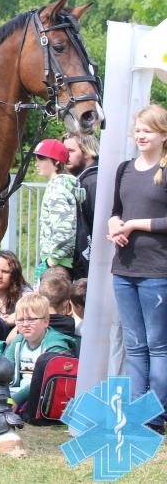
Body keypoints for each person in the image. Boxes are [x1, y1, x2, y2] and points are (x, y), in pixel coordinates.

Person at [107, 104, 167, 434]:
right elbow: (116, 211)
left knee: (158, 346)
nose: (141, 135)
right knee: (135, 346)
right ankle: (135, 414)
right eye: (138, 130)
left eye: (148, 130)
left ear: (163, 135)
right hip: (124, 270)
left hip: (158, 271)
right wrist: (116, 223)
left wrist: (134, 225)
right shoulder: (124, 168)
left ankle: (154, 416)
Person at [0, 293, 74, 413]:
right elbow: (3, 369)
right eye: (20, 320)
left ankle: (12, 407)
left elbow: (45, 382)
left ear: (46, 321)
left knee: (14, 404)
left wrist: (17, 400)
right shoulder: (18, 340)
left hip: (43, 393)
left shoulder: (56, 346)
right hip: (17, 391)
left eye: (32, 319)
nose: (25, 324)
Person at [34, 138, 84, 284]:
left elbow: (65, 229)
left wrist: (51, 262)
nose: (37, 163)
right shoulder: (57, 186)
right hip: (58, 262)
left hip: (58, 264)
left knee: (51, 306)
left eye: (42, 158)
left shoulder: (58, 189)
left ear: (56, 162)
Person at [64, 132, 99, 278]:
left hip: (92, 264)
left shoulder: (92, 182)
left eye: (71, 151)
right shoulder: (83, 180)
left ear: (87, 152)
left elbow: (95, 227)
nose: (66, 156)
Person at [0, 250, 30, 339]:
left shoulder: (23, 291)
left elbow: (34, 305)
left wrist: (6, 321)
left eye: (5, 272)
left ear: (14, 274)